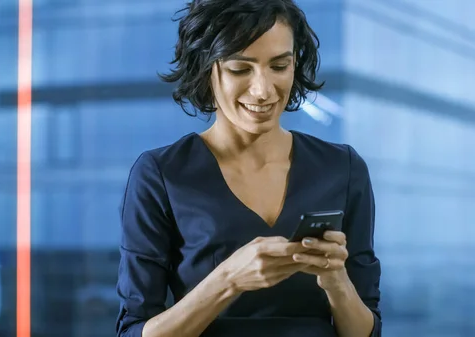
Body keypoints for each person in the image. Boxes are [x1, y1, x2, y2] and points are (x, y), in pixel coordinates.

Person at [115, 0, 381, 336]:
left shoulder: (342, 168)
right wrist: (227, 281)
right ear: (206, 68)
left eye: (279, 66)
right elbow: (134, 330)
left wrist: (337, 282)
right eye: (241, 69)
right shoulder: (161, 174)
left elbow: (367, 330)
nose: (263, 90)